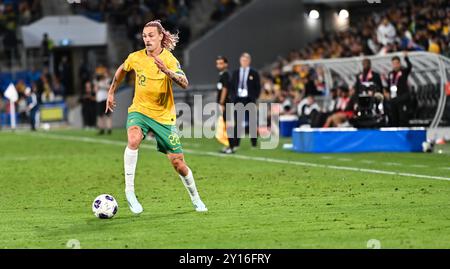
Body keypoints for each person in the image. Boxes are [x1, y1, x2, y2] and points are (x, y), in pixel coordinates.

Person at [105, 20, 207, 214]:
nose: (147, 39)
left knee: (178, 163)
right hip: (140, 110)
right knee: (133, 139)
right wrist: (111, 92)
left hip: (163, 117)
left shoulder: (169, 59)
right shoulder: (135, 57)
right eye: (144, 36)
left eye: (151, 35)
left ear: (161, 36)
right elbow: (121, 71)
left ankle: (196, 198)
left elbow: (184, 83)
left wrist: (167, 72)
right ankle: (130, 192)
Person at [229, 52, 261, 151]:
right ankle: (236, 144)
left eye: (246, 60)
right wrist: (233, 97)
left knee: (252, 122)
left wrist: (254, 97)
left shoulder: (254, 73)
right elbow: (232, 87)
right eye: (243, 60)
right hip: (238, 99)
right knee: (237, 122)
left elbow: (258, 87)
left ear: (249, 61)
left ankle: (254, 144)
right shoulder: (235, 72)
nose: (244, 62)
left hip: (249, 99)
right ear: (240, 61)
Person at [387, 52, 412, 127]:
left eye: (396, 63)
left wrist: (406, 58)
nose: (395, 65)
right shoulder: (390, 74)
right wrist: (387, 93)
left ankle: (403, 133)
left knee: (402, 117)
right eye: (393, 63)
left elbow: (410, 67)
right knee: (394, 117)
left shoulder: (403, 71)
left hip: (402, 97)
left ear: (399, 64)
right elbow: (389, 85)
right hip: (393, 98)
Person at [215, 55, 233, 154]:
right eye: (218, 63)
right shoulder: (222, 74)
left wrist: (222, 102)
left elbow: (225, 89)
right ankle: (229, 145)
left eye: (221, 63)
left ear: (226, 64)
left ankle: (231, 146)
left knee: (228, 126)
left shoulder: (225, 74)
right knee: (226, 125)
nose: (219, 65)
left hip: (226, 104)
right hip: (225, 104)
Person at [94, 70, 112, 135]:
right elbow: (95, 90)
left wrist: (103, 85)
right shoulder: (98, 82)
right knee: (100, 115)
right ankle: (102, 129)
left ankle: (109, 129)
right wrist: (98, 84)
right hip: (99, 99)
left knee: (108, 115)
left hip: (106, 99)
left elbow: (110, 88)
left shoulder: (108, 80)